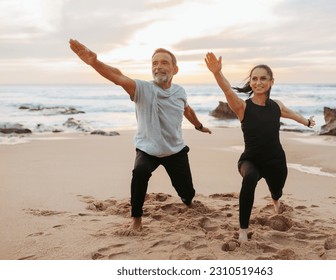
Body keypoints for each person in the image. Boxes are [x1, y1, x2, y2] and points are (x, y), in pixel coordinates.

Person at [69, 39, 211, 231]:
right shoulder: (142, 89)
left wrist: (199, 125)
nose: (158, 67)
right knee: (140, 172)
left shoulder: (179, 91)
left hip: (175, 150)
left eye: (164, 63)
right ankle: (136, 219)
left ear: (175, 69)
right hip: (148, 148)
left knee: (187, 192)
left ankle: (188, 201)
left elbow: (187, 110)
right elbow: (117, 76)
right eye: (154, 63)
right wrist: (95, 62)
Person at [205, 52, 316, 242]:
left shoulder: (276, 106)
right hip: (250, 159)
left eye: (263, 78)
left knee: (277, 190)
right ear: (250, 82)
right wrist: (217, 73)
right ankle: (242, 231)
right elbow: (228, 91)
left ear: (271, 82)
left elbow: (291, 114)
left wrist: (306, 122)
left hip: (275, 160)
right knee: (249, 179)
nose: (258, 82)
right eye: (254, 78)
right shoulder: (242, 107)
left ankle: (275, 200)